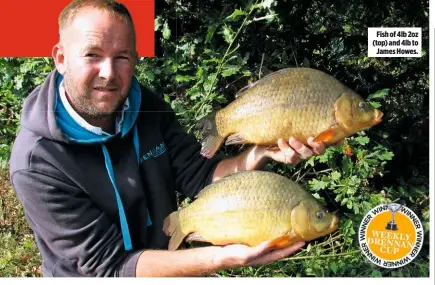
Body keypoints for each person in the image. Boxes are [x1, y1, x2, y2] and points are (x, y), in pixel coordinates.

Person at [9, 0, 325, 277]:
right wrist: (218, 258)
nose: (108, 72)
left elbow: (200, 177)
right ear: (61, 58)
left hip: (169, 264)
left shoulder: (144, 106)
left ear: (135, 58)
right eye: (92, 54)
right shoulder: (37, 163)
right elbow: (110, 268)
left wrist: (260, 153)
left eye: (121, 57)